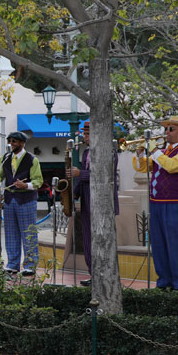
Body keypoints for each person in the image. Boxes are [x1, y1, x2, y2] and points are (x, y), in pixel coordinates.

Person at [134, 116, 178, 290]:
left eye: (171, 129)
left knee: (174, 243)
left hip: (175, 204)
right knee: (159, 243)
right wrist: (139, 154)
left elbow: (171, 166)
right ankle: (163, 283)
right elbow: (142, 167)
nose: (166, 133)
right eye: (166, 129)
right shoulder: (164, 151)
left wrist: (154, 151)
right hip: (157, 203)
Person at [67, 121, 120, 286]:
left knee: (102, 241)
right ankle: (94, 274)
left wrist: (79, 173)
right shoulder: (86, 152)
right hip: (87, 201)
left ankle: (105, 275)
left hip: (102, 204)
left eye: (88, 134)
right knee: (88, 240)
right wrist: (72, 194)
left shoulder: (109, 151)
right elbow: (84, 178)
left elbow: (105, 175)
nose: (85, 137)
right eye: (84, 134)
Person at [0, 131, 44, 276]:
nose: (11, 144)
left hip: (26, 200)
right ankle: (13, 264)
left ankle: (30, 265)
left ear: (22, 143)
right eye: (10, 141)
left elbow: (38, 181)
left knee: (28, 233)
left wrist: (26, 186)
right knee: (11, 233)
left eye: (14, 141)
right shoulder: (5, 158)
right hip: (9, 200)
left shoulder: (32, 159)